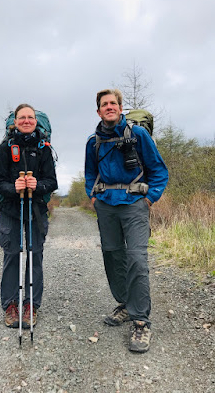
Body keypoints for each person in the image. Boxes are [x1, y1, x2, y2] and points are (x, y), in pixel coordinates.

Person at [85, 89, 168, 353]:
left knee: (136, 258)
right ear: (98, 111)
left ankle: (141, 321)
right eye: (104, 104)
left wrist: (150, 198)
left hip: (134, 205)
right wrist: (93, 196)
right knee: (112, 255)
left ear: (120, 108)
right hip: (106, 206)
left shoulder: (139, 135)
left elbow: (158, 170)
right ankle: (124, 303)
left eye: (113, 103)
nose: (109, 107)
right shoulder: (93, 141)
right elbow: (89, 173)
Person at [0, 104, 58, 329]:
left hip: (36, 210)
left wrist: (37, 185)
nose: (27, 121)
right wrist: (15, 187)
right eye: (22, 117)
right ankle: (11, 305)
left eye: (30, 117)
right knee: (11, 255)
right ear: (15, 121)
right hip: (11, 210)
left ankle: (31, 305)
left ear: (35, 121)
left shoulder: (44, 148)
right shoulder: (5, 148)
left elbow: (52, 182)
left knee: (35, 255)